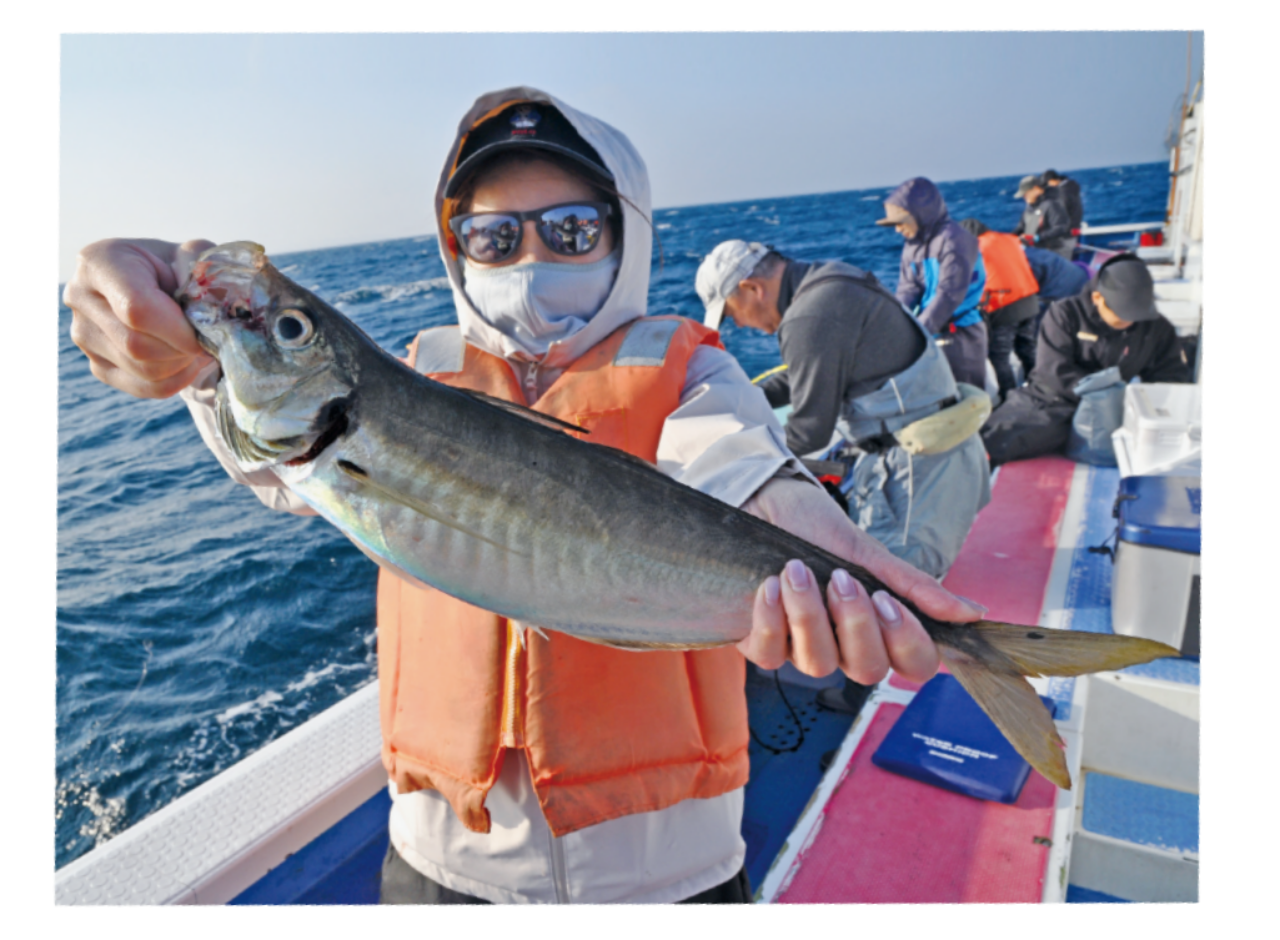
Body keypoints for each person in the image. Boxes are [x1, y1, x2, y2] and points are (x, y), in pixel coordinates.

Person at [64, 87, 982, 905]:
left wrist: (801, 519)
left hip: (669, 874)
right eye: (495, 236)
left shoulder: (688, 371)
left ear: (625, 236)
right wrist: (191, 353)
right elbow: (269, 460)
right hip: (442, 865)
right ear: (456, 250)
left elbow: (738, 458)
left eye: (573, 230)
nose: (532, 253)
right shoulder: (409, 378)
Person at [696, 240, 992, 719]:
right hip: (944, 452)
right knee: (917, 585)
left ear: (751, 288)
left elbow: (808, 432)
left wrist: (726, 470)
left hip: (915, 474)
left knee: (895, 591)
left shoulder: (807, 318)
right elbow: (806, 375)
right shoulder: (830, 281)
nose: (742, 325)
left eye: (733, 314)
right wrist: (738, 395)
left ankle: (875, 703)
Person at [980, 254, 1191, 466]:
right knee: (997, 440)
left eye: (1135, 315)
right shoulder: (1065, 314)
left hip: (1114, 410)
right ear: (1097, 298)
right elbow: (1052, 370)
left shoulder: (1155, 328)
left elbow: (1170, 378)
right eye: (1121, 314)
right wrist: (1099, 394)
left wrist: (1145, 408)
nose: (1128, 321)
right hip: (1052, 401)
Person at [877, 177, 989, 389]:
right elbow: (907, 289)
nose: (897, 230)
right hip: (931, 332)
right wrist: (892, 324)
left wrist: (917, 335)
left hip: (961, 333)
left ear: (919, 215)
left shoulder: (955, 239)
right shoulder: (912, 246)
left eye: (900, 222)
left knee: (966, 400)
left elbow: (949, 294)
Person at [960, 219, 1092, 398]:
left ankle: (1009, 398)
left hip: (1004, 306)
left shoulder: (973, 248)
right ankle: (1044, 388)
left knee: (1000, 357)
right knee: (1028, 348)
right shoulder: (1009, 240)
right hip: (1029, 302)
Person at [1011, 175, 1074, 260]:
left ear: (1036, 189)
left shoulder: (1051, 204)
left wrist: (1038, 237)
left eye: (1026, 193)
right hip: (1037, 253)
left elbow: (1061, 228)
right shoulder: (1029, 209)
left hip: (1055, 253)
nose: (1024, 197)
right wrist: (1007, 238)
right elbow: (1021, 228)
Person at [1041, 169, 1084, 233]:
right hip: (1075, 227)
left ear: (1052, 180)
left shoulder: (1062, 193)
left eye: (1047, 184)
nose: (1047, 188)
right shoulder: (1070, 187)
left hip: (1067, 232)